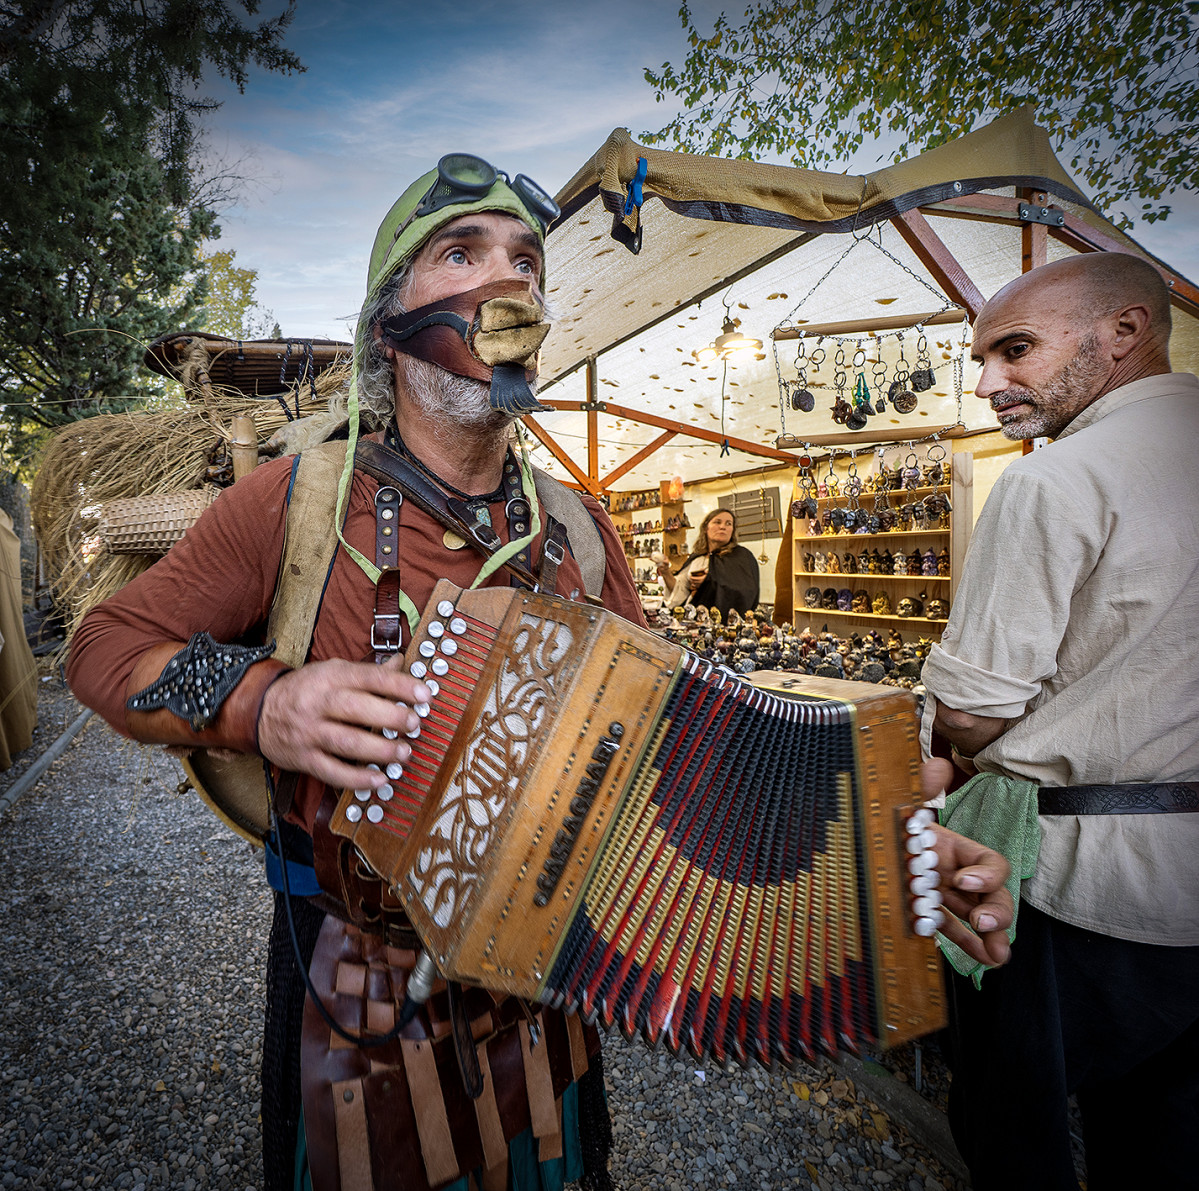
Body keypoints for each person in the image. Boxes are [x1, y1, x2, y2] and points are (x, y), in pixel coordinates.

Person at [65, 152, 1015, 1191]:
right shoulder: (294, 504)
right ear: (391, 316)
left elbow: (680, 763)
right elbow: (103, 651)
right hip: (357, 991)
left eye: (524, 261)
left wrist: (889, 861)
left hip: (550, 990)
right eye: (458, 252)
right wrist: (266, 702)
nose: (504, 281)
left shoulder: (578, 530)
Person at [918, 252, 1199, 1191]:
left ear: (1122, 332)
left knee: (1015, 1133)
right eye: (983, 358)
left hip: (1075, 883)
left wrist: (949, 736)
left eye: (1015, 348)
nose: (989, 381)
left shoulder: (1051, 480)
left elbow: (968, 708)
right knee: (1163, 1147)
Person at [657, 507, 760, 618]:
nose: (722, 527)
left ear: (733, 530)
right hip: (694, 622)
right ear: (706, 527)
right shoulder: (697, 558)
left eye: (728, 524)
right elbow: (678, 593)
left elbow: (747, 591)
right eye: (717, 522)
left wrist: (708, 581)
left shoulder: (742, 557)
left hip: (724, 623)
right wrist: (666, 572)